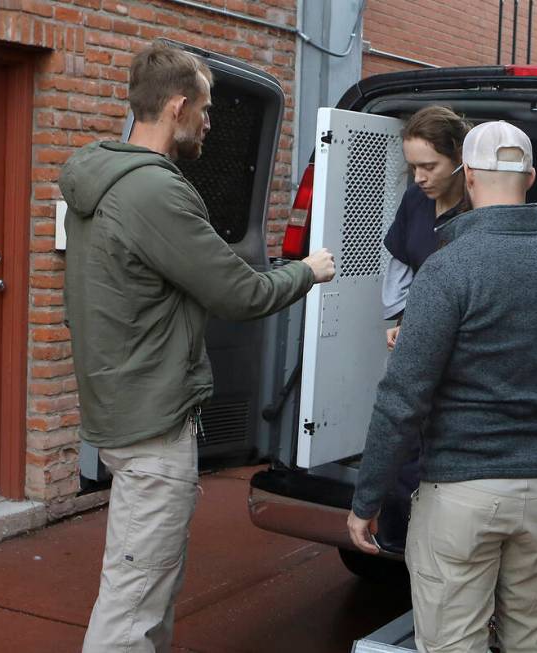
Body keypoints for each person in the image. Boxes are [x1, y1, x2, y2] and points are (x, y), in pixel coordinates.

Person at [58, 40, 335, 652]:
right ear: (178, 106)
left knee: (145, 587)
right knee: (132, 605)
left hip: (120, 409)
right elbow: (239, 293)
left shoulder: (99, 179)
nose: (209, 122)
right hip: (153, 423)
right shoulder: (154, 192)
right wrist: (309, 270)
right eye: (205, 110)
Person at [347, 121, 537, 653]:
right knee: (535, 642)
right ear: (530, 178)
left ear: (469, 178)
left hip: (463, 492)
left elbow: (403, 398)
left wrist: (368, 497)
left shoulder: (448, 269)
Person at [382, 105, 470, 350]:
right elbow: (400, 272)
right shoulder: (414, 199)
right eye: (413, 167)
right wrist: (405, 323)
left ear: (460, 157)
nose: (419, 177)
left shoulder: (480, 206)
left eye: (429, 167)